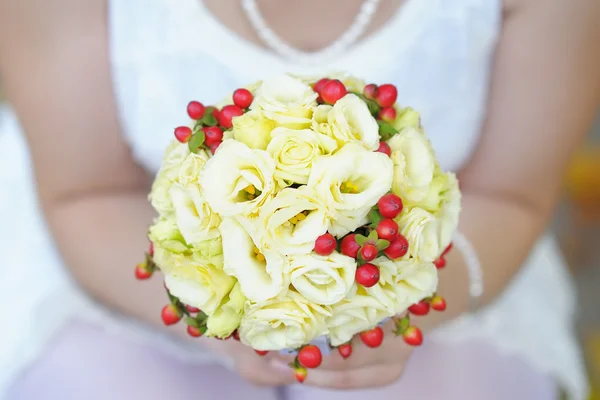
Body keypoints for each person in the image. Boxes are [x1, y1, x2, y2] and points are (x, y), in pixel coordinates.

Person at [0, 0, 598, 399]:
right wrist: (223, 315)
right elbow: (89, 192)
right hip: (128, 254)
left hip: (448, 260)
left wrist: (392, 307)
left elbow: (509, 194)